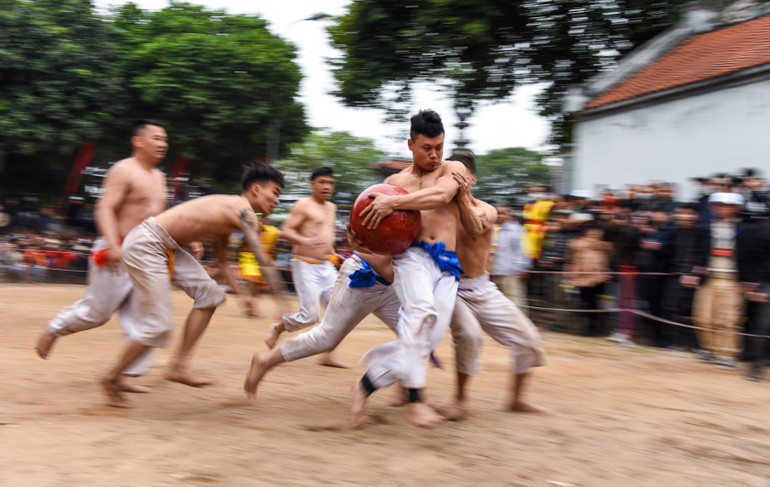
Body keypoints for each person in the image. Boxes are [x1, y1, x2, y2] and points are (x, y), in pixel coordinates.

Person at [100, 163, 286, 407]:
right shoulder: (246, 214)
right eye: (275, 192)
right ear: (255, 190)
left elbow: (223, 260)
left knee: (211, 296)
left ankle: (178, 366)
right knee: (159, 326)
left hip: (165, 245)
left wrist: (242, 295)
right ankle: (111, 377)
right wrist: (281, 297)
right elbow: (261, 257)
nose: (277, 200)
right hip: (148, 242)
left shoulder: (235, 211)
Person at [350, 109, 467, 428]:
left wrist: (394, 204)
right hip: (410, 257)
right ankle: (415, 399)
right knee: (419, 312)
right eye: (427, 148)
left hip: (446, 264)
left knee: (425, 340)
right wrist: (361, 240)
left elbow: (442, 195)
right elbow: (371, 226)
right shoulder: (392, 183)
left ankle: (364, 386)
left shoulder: (451, 169)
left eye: (439, 146)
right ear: (410, 145)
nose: (434, 154)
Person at [35, 119, 169, 393]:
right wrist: (113, 245)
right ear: (138, 141)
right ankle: (55, 328)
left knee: (149, 317)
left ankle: (126, 374)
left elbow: (161, 218)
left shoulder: (160, 177)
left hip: (147, 254)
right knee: (97, 313)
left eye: (165, 140)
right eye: (156, 138)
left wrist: (183, 241)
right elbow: (105, 208)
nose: (162, 144)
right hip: (116, 249)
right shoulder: (123, 170)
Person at [443, 151, 547, 419]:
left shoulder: (487, 209)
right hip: (450, 287)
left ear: (472, 179)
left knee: (529, 339)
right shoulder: (437, 211)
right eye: (450, 175)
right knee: (469, 336)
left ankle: (516, 399)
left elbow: (476, 227)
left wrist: (464, 196)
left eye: (461, 176)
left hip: (483, 287)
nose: (456, 181)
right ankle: (460, 397)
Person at [244, 250, 400, 399]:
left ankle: (408, 391)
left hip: (389, 285)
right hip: (361, 275)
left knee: (419, 334)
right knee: (325, 337)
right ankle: (266, 360)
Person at [263, 166, 347, 368]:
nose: (327, 186)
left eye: (330, 182)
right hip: (304, 264)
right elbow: (286, 231)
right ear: (312, 185)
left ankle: (328, 355)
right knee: (309, 316)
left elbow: (326, 235)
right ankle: (278, 328)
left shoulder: (332, 207)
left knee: (341, 311)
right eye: (322, 182)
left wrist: (334, 254)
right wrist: (304, 240)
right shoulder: (303, 205)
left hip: (326, 265)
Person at [689, 192, 746, 369]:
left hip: (732, 280)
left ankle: (727, 353)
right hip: (709, 279)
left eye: (726, 205)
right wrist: (693, 271)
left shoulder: (745, 229)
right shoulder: (705, 228)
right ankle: (709, 348)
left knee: (727, 319)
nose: (720, 209)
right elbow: (696, 253)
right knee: (702, 316)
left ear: (737, 208)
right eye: (717, 205)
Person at [489, 204, 530, 310]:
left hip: (511, 272)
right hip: (491, 272)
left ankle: (520, 325)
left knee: (515, 301)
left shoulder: (517, 229)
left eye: (504, 213)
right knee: (494, 303)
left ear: (509, 215)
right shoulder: (488, 229)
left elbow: (523, 250)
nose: (500, 216)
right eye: (498, 213)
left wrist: (521, 268)